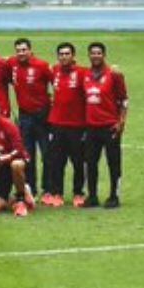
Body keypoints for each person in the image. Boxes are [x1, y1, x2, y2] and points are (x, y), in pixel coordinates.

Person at [83, 42, 128, 208]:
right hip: (91, 127)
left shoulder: (114, 75)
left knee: (113, 162)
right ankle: (92, 196)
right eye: (93, 53)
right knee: (90, 162)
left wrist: (121, 122)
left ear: (104, 55)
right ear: (89, 55)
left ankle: (114, 196)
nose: (95, 56)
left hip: (110, 126)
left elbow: (124, 100)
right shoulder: (85, 75)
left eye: (98, 53)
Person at [8, 37, 53, 202]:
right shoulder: (12, 64)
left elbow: (56, 82)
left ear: (30, 50)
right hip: (24, 116)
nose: (21, 53)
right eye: (18, 50)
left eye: (24, 50)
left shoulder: (42, 65)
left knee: (47, 153)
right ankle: (31, 188)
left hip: (43, 116)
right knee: (28, 154)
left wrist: (53, 103)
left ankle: (48, 189)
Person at [47, 42, 88, 207]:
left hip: (77, 125)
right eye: (61, 54)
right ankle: (57, 193)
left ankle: (78, 193)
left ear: (73, 56)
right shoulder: (54, 70)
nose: (64, 57)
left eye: (67, 54)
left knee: (78, 161)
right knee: (57, 161)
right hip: (56, 124)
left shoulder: (83, 73)